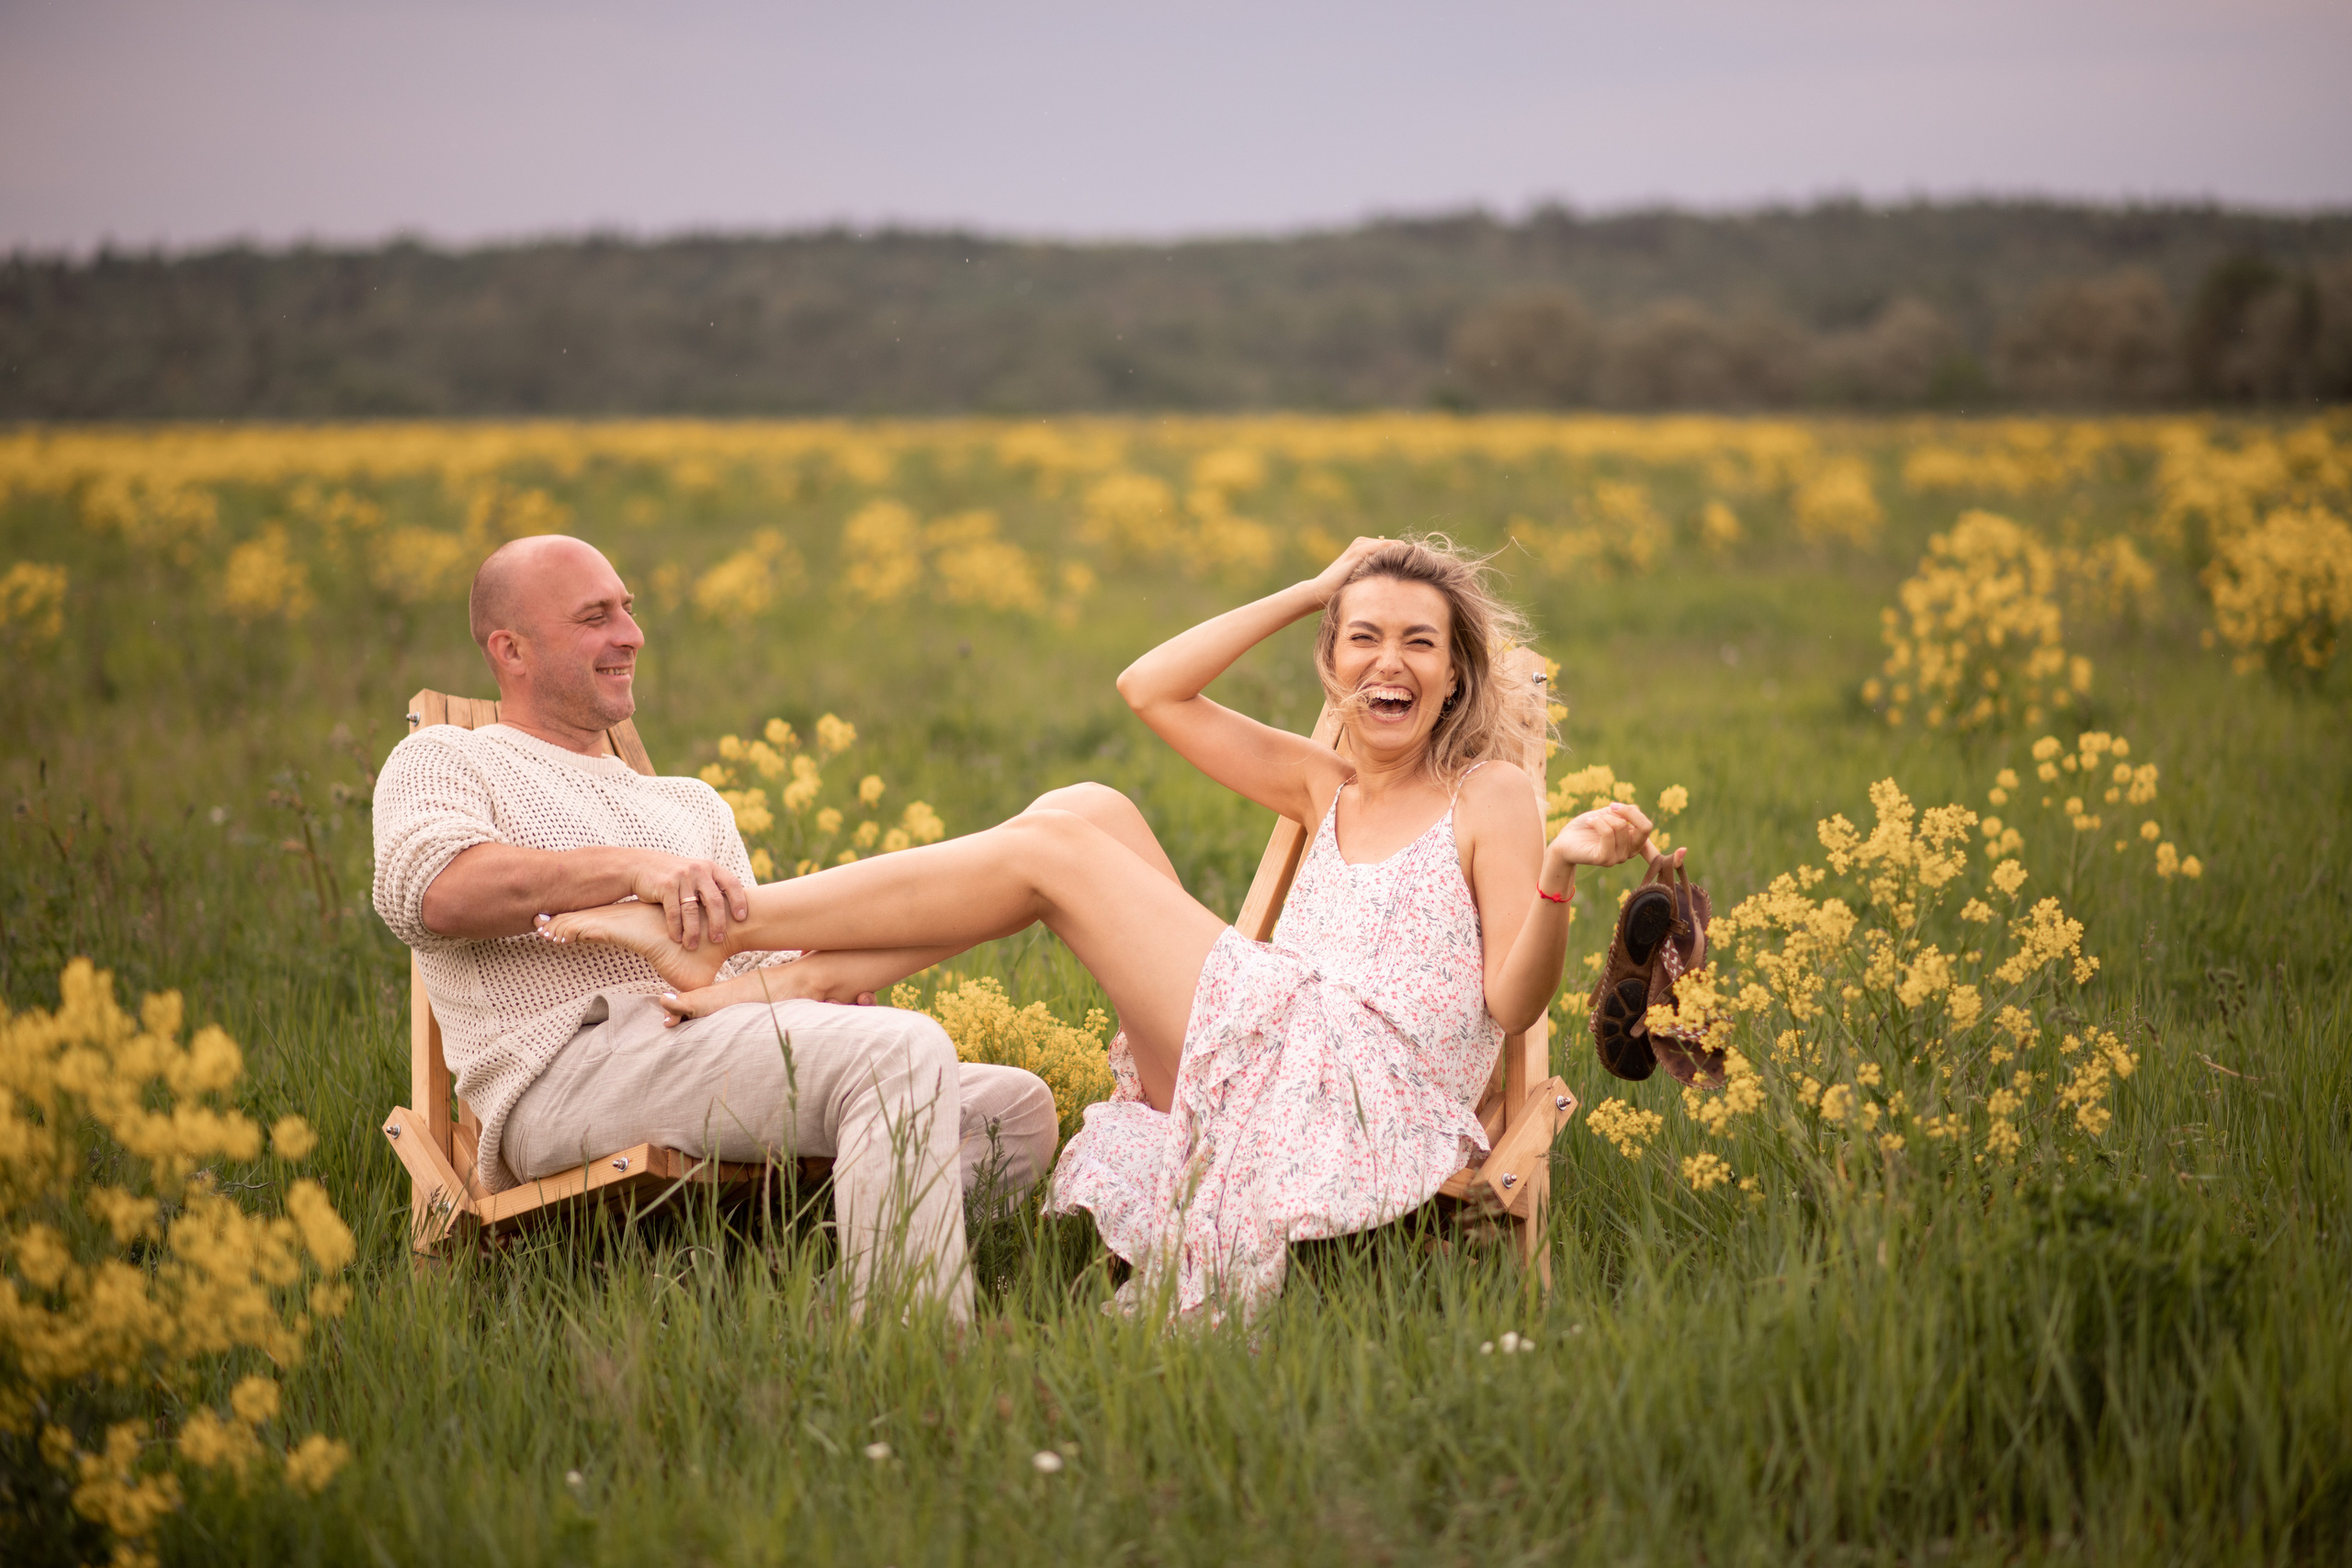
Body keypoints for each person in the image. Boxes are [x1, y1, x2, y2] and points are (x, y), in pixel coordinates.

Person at [538, 536, 1662, 1323]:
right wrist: (1310, 588)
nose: (1389, 663)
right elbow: (1149, 688)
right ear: (1329, 662)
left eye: (1420, 643)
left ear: (1456, 669)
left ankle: (734, 933)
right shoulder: (1323, 786)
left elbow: (1511, 1007)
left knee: (1055, 850)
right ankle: (771, 968)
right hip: (1255, 1064)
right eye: (1361, 638)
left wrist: (1561, 872)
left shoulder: (1492, 797)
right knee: (1081, 811)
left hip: (1354, 1095)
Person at [370, 535, 1058, 1321]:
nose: (629, 634)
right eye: (595, 616)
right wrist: (635, 872)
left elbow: (746, 957)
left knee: (1015, 1109)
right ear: (511, 649)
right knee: (900, 1054)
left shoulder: (691, 804)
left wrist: (819, 994)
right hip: (566, 1067)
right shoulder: (448, 760)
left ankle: (823, 1298)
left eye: (628, 609)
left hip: (702, 1041)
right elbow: (430, 894)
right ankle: (913, 1356)